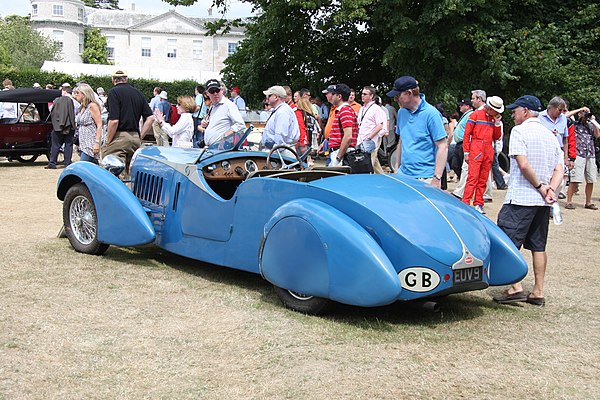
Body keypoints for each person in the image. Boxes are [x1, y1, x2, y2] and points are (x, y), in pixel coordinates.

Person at [493, 95, 563, 307]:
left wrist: (540, 187)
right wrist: (550, 188)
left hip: (522, 197)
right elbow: (559, 168)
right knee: (538, 245)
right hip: (542, 203)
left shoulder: (519, 131)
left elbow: (523, 165)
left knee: (508, 243)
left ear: (525, 111)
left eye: (515, 110)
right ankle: (538, 291)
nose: (512, 114)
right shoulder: (550, 135)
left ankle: (515, 287)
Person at [386, 76, 447, 188]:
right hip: (403, 175)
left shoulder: (431, 114)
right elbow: (401, 141)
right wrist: (396, 168)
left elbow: (442, 146)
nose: (395, 99)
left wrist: (437, 178)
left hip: (425, 178)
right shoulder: (401, 113)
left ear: (409, 93)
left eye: (398, 96)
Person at [103, 69, 153, 178]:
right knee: (131, 176)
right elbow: (150, 118)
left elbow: (114, 120)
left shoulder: (113, 92)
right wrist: (140, 136)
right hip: (135, 137)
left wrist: (109, 140)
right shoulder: (138, 93)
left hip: (119, 137)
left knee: (113, 175)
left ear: (113, 80)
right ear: (126, 79)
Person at [461, 96, 504, 214]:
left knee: (483, 179)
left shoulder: (494, 119)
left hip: (488, 150)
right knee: (472, 178)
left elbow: (497, 137)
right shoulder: (475, 115)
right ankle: (466, 202)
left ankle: (479, 203)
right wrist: (466, 152)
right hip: (476, 148)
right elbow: (467, 134)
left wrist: (497, 123)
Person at [453, 90, 494, 201]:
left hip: (477, 149)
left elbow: (494, 134)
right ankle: (469, 195)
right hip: (474, 148)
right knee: (472, 173)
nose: (471, 101)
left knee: (475, 174)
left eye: (473, 98)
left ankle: (472, 197)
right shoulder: (476, 113)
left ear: (479, 99)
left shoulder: (484, 114)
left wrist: (467, 151)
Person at [565, 110, 600, 210]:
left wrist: (594, 121)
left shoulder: (590, 125)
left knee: (591, 179)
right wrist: (580, 110)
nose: (585, 115)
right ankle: (569, 201)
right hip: (578, 154)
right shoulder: (574, 124)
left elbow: (597, 135)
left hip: (590, 154)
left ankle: (588, 202)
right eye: (583, 113)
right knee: (575, 179)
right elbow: (565, 116)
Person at [200, 79, 245, 148]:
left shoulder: (228, 105)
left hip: (221, 148)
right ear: (207, 93)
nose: (215, 93)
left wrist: (224, 136)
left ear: (221, 91)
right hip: (211, 148)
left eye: (217, 90)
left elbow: (240, 125)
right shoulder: (213, 106)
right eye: (212, 91)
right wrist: (206, 123)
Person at [328, 84, 361, 170]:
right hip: (341, 152)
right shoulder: (343, 110)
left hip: (342, 154)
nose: (331, 96)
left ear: (339, 96)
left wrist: (338, 157)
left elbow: (348, 136)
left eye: (333, 94)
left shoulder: (345, 110)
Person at [358, 85, 388, 173]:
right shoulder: (362, 108)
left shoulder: (376, 109)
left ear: (371, 96)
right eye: (362, 94)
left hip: (371, 139)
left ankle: (368, 181)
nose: (362, 95)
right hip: (362, 138)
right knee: (373, 162)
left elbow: (380, 125)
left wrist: (369, 137)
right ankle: (382, 177)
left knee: (367, 163)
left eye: (365, 94)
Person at [45, 85, 76, 169]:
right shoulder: (75, 101)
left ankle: (52, 162)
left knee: (55, 145)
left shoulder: (57, 100)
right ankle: (67, 162)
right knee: (68, 145)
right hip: (70, 126)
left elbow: (51, 110)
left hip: (58, 126)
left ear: (64, 91)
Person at [260, 85, 299, 150]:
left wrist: (275, 152)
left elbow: (280, 137)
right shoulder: (280, 110)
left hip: (279, 154)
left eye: (269, 96)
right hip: (277, 152)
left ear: (276, 97)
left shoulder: (283, 112)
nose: (267, 98)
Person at [72, 84, 103, 164]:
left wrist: (97, 142)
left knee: (82, 166)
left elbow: (99, 125)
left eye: (77, 93)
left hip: (90, 142)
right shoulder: (82, 107)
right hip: (82, 142)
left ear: (84, 93)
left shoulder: (93, 106)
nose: (76, 95)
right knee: (92, 167)